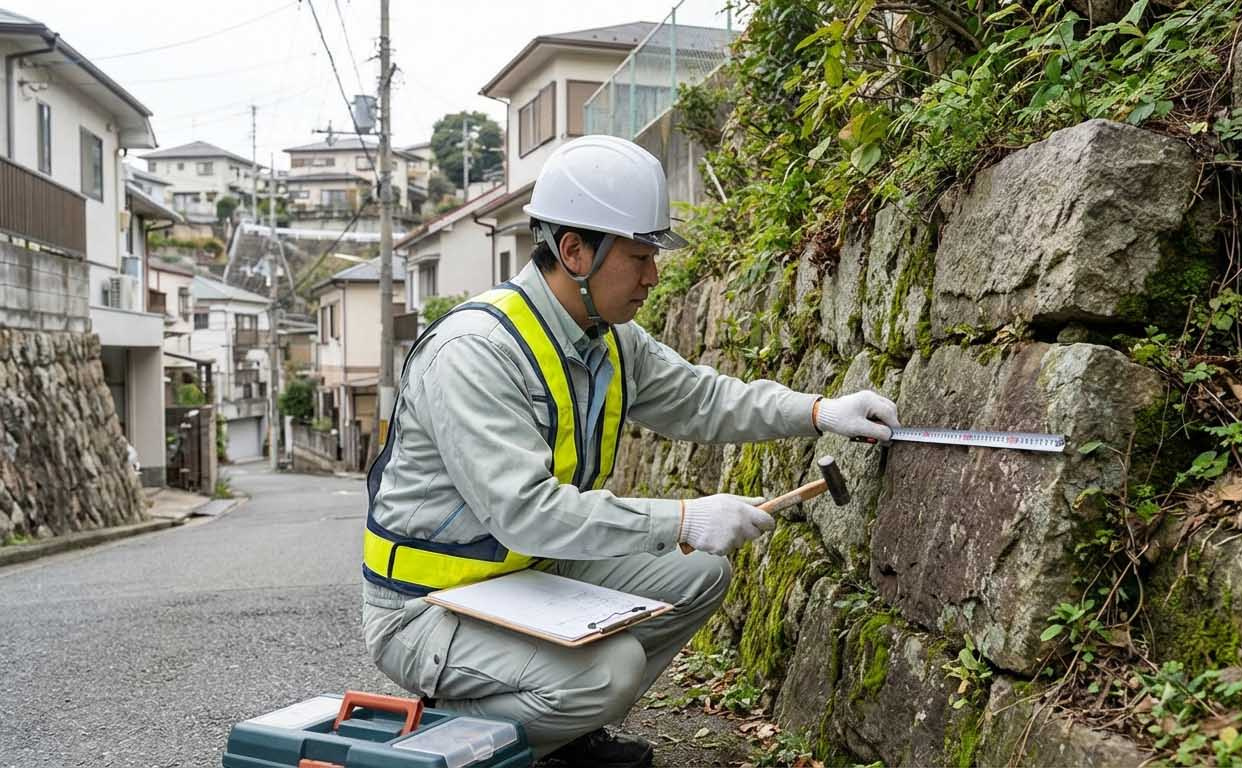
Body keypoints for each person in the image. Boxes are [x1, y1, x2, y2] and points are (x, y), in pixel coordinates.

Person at [362, 135, 899, 767]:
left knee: (699, 573)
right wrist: (683, 518)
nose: (653, 276)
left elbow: (703, 399)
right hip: (424, 607)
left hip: (525, 575)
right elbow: (525, 513)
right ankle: (458, 743)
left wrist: (818, 412)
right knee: (609, 670)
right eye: (640, 256)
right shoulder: (476, 352)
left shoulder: (609, 339)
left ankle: (564, 733)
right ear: (574, 251)